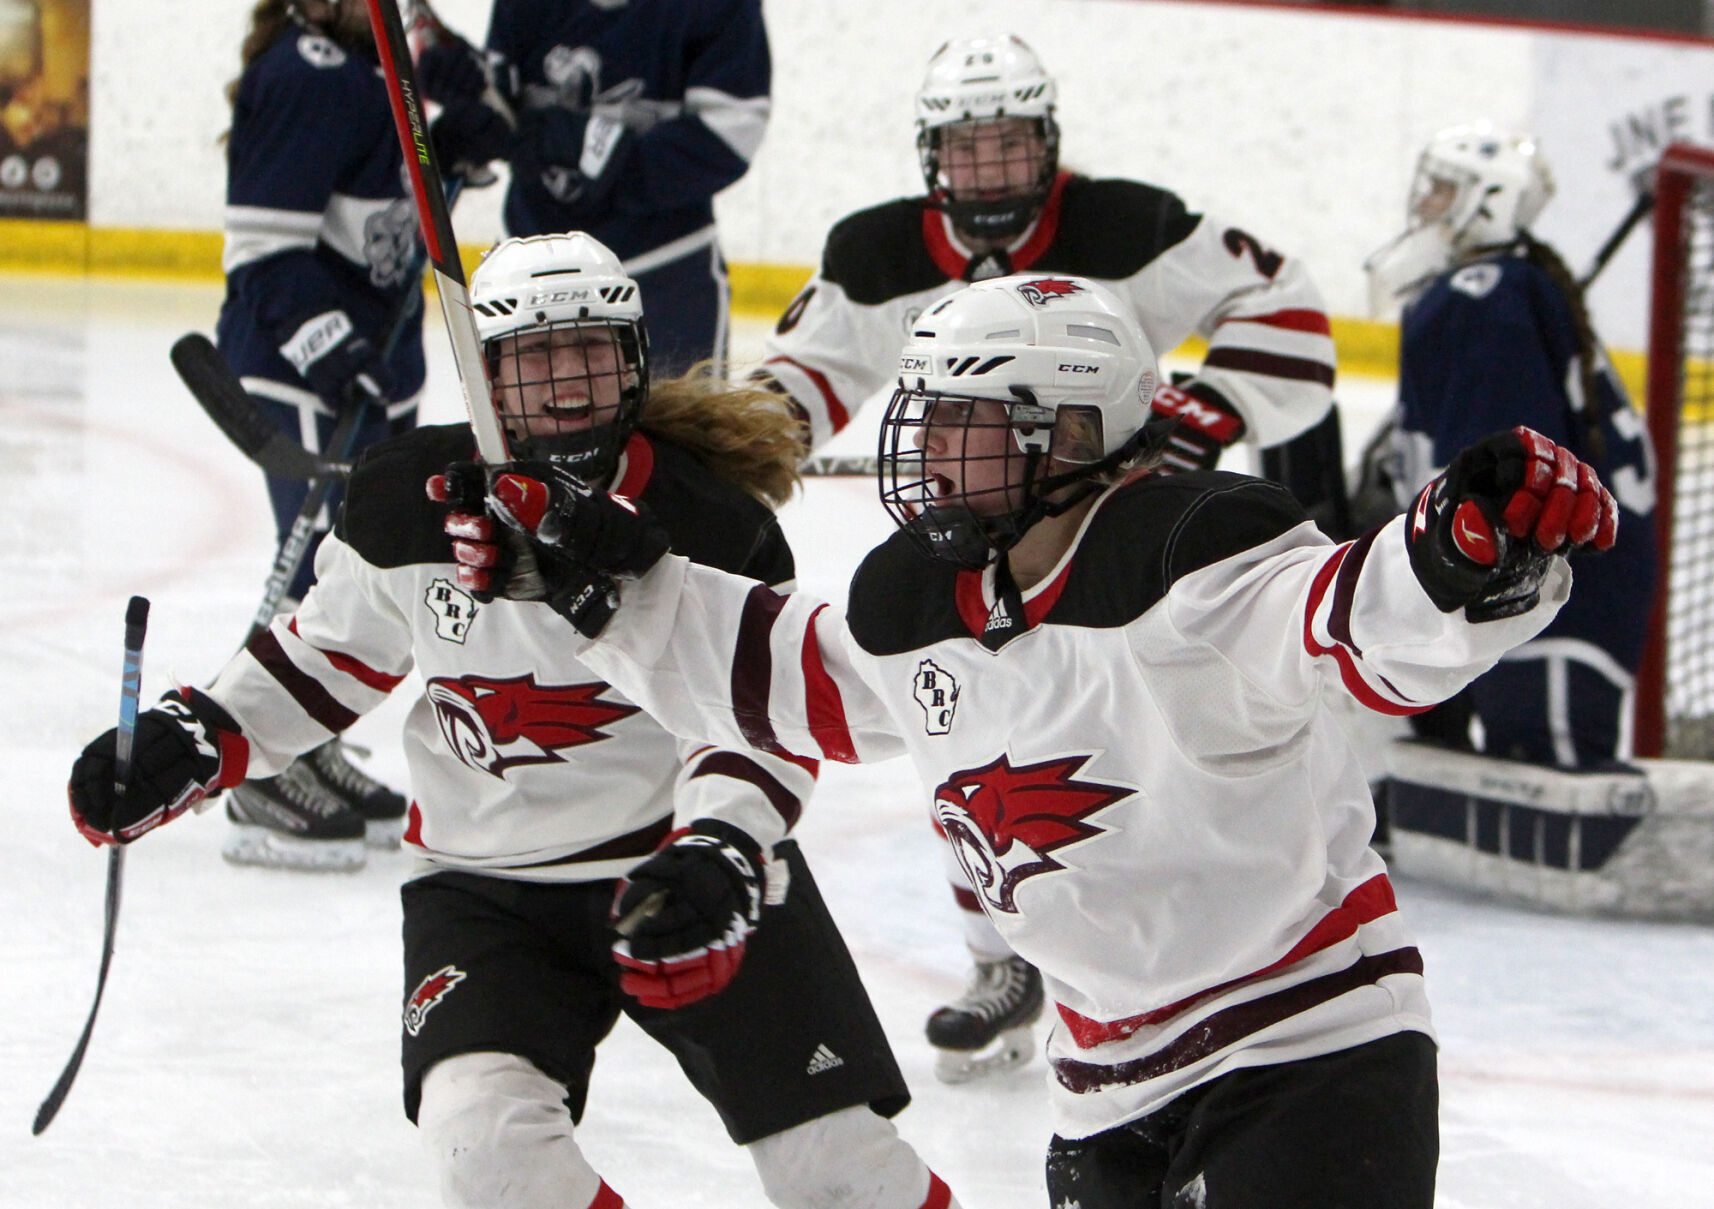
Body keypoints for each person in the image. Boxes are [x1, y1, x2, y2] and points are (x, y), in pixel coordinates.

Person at [446, 273, 1618, 1208]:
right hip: (1102, 1084)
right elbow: (789, 674)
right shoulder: (918, 599)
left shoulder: (1192, 560)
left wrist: (1469, 549)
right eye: (929, 416)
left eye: (963, 423)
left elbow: (1358, 616)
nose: (927, 450)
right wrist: (596, 578)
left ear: (1065, 435)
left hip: (1308, 1047)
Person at [69, 234, 960, 1209]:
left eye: (588, 349)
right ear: (485, 373)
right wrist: (203, 736)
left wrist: (718, 848)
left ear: (630, 357)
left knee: (837, 1173)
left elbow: (758, 720)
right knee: (485, 1153)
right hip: (484, 891)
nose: (567, 381)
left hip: (684, 874)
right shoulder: (408, 498)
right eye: (535, 357)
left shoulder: (714, 521)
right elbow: (326, 658)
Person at [753, 31, 1344, 1079]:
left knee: (1143, 738)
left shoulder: (1131, 225)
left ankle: (1192, 926)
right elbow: (803, 373)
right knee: (964, 734)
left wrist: (1208, 404)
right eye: (967, 148)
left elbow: (1287, 306)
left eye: (1009, 142)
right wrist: (741, 452)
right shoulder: (874, 252)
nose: (989, 168)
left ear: (1048, 140)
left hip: (1116, 527)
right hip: (968, 522)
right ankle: (1003, 958)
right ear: (931, 156)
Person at [1363, 122, 1657, 768]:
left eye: (1443, 190)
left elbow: (1509, 472)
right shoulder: (1501, 288)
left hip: (1558, 589)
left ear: (1488, 200)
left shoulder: (1485, 297)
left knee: (1548, 801)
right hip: (1559, 583)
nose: (1425, 205)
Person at [213, 0, 423, 870]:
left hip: (365, 362)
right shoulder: (305, 73)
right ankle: (252, 763)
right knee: (309, 570)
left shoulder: (374, 57)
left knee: (339, 570)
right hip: (300, 363)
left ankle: (303, 743)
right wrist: (335, 352)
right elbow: (262, 252)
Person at [416, 0, 770, 375]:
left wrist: (593, 150)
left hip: (663, 270)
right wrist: (473, 95)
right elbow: (509, 108)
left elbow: (729, 137)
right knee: (528, 432)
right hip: (530, 269)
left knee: (676, 433)